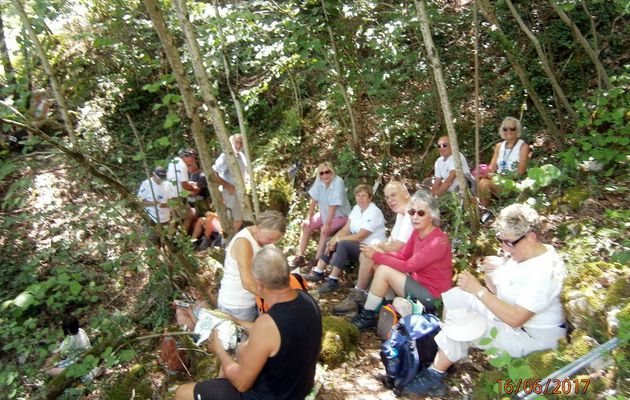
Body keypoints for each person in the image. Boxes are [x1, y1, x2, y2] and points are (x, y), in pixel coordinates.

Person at [407, 203, 567, 396]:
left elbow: (516, 318)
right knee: (458, 297)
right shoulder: (527, 254)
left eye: (509, 242)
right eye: (501, 240)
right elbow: (501, 293)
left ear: (531, 237)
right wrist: (494, 274)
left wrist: (479, 291)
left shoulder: (543, 271)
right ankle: (449, 352)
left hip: (533, 338)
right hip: (513, 321)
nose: (505, 248)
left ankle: (435, 375)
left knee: (465, 324)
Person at [175, 247, 322, 400]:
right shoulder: (307, 301)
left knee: (182, 393)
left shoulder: (268, 323)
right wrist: (237, 321)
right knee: (225, 372)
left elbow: (241, 383)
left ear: (258, 283)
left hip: (265, 396)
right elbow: (277, 336)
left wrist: (219, 350)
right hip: (296, 389)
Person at [352, 191, 453, 330]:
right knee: (381, 262)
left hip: (432, 297)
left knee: (384, 269)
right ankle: (387, 307)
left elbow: (408, 266)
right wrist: (378, 254)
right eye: (412, 212)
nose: (415, 217)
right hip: (418, 285)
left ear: (432, 216)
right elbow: (403, 256)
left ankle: (367, 316)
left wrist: (376, 256)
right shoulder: (417, 232)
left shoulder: (438, 241)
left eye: (421, 213)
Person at [333, 181, 414, 315]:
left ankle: (360, 294)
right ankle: (383, 301)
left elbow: (397, 247)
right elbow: (392, 240)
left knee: (369, 253)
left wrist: (379, 244)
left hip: (410, 267)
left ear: (405, 194)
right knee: (368, 252)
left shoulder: (411, 214)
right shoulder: (401, 214)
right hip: (401, 259)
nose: (390, 200)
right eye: (387, 197)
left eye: (393, 195)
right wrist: (380, 245)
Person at [305, 184, 386, 294]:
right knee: (330, 239)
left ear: (370, 197)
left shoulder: (374, 212)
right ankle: (318, 271)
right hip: (358, 245)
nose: (360, 198)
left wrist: (338, 240)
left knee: (343, 244)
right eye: (358, 195)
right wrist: (334, 239)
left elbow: (360, 236)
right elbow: (346, 229)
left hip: (369, 248)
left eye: (363, 196)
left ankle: (332, 281)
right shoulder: (357, 209)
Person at [217, 211, 286, 322]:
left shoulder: (260, 238)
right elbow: (248, 283)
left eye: (275, 240)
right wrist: (275, 299)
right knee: (246, 338)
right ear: (259, 227)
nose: (272, 242)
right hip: (237, 304)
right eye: (270, 238)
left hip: (252, 300)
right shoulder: (244, 243)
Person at [292, 162, 351, 269]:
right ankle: (300, 256)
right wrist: (309, 220)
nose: (325, 175)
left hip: (340, 216)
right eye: (322, 173)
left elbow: (333, 206)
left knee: (324, 231)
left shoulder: (338, 182)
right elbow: (313, 201)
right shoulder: (319, 181)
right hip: (325, 213)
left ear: (332, 172)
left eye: (327, 172)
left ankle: (316, 260)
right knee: (306, 226)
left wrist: (327, 225)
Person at [477, 117, 530, 207]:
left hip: (513, 183)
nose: (508, 131)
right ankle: (482, 209)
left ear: (517, 131)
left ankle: (483, 210)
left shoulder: (523, 146)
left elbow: (520, 171)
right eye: (505, 129)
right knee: (479, 180)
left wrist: (500, 177)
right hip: (498, 181)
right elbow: (492, 168)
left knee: (484, 184)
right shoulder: (499, 146)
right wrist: (488, 174)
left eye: (512, 129)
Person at [213, 134, 250, 233]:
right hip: (229, 193)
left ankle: (226, 241)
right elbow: (214, 173)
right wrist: (228, 186)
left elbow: (245, 173)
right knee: (234, 220)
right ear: (230, 144)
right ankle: (226, 242)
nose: (238, 145)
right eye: (236, 143)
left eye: (241, 143)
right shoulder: (225, 156)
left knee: (238, 219)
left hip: (240, 192)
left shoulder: (241, 156)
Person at [168, 148, 198, 232]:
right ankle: (183, 239)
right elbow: (184, 185)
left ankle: (168, 240)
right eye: (192, 157)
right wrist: (194, 188)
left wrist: (189, 183)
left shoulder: (173, 162)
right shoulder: (182, 165)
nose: (193, 160)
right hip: (178, 196)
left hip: (170, 195)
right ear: (186, 156)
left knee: (174, 219)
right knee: (189, 216)